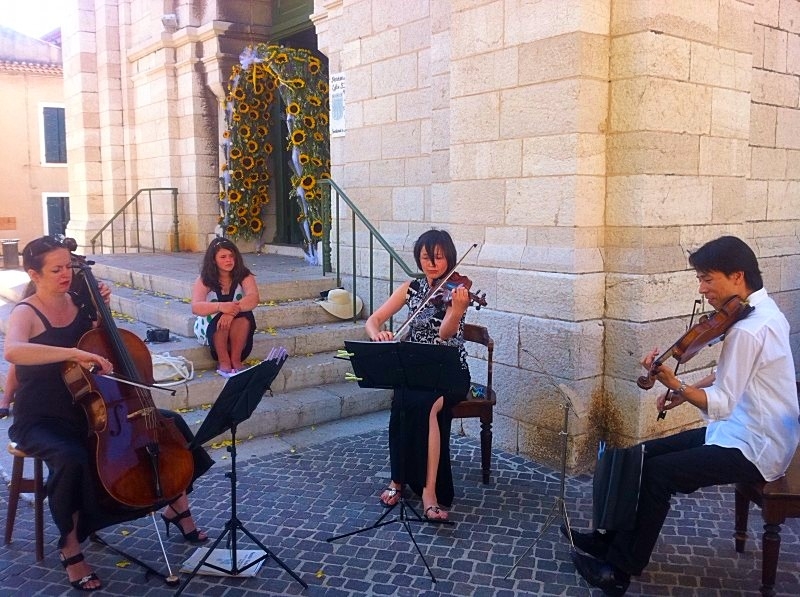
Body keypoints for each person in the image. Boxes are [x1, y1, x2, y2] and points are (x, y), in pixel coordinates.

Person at [569, 236, 800, 596]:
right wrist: (682, 392)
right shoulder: (764, 312)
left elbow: (721, 403)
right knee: (641, 455)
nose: (702, 288)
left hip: (755, 445)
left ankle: (619, 571)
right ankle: (608, 542)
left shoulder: (749, 328)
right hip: (739, 429)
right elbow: (731, 376)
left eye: (708, 279)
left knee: (659, 475)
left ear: (737, 276)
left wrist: (674, 382)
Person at [4, 236, 214, 592]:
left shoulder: (79, 301)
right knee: (71, 458)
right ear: (33, 274)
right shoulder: (27, 311)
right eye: (56, 269)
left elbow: (103, 343)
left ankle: (175, 505)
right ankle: (70, 547)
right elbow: (13, 353)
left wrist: (101, 306)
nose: (66, 274)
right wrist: (70, 353)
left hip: (91, 407)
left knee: (170, 426)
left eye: (69, 267)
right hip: (42, 417)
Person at [364, 229, 471, 521]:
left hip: (449, 368)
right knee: (400, 402)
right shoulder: (412, 287)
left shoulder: (456, 291)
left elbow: (445, 334)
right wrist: (378, 335)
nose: (432, 264)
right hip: (414, 367)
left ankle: (429, 492)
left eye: (438, 258)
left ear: (449, 258)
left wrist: (457, 311)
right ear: (419, 259)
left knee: (427, 406)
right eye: (426, 257)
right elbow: (373, 320)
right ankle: (397, 480)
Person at [191, 237, 259, 377]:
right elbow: (196, 307)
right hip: (210, 324)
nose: (229, 260)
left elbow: (253, 298)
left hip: (236, 321)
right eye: (223, 257)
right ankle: (223, 361)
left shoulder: (244, 275)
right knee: (220, 319)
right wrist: (221, 307)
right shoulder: (204, 279)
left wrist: (230, 312)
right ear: (213, 260)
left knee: (244, 317)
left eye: (231, 256)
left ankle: (236, 359)